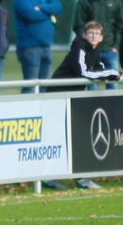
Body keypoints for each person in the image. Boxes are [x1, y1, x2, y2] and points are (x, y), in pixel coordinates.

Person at [43, 21, 120, 190]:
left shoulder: (95, 50)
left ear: (101, 38)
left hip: (72, 98)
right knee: (60, 137)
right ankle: (50, 177)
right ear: (84, 35)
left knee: (78, 136)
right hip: (58, 97)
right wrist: (111, 73)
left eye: (96, 34)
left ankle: (81, 179)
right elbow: (84, 72)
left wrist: (109, 73)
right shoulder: (79, 47)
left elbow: (98, 67)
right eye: (90, 33)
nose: (93, 36)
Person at [13, 0, 63, 93]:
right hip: (30, 47)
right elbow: (31, 15)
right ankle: (26, 111)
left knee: (44, 86)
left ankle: (42, 112)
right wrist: (47, 12)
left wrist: (40, 7)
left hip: (46, 46)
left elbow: (58, 6)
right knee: (31, 85)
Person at [72, 0, 123, 90]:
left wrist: (115, 45)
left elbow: (119, 25)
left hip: (110, 49)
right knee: (91, 82)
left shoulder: (115, 1)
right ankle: (92, 107)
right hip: (91, 50)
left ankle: (113, 106)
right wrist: (86, 44)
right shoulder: (84, 2)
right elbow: (78, 26)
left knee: (113, 82)